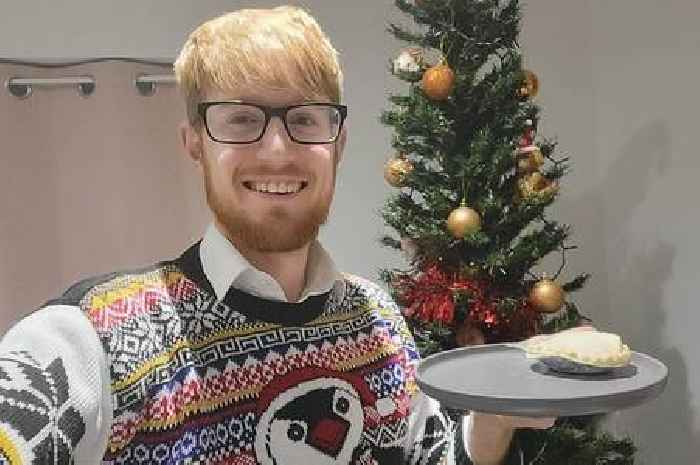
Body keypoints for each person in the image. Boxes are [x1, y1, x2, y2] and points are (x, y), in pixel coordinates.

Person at [0, 6, 553, 464]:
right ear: (194, 143)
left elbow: (433, 457)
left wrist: (495, 417)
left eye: (306, 119)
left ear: (337, 143)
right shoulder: (89, 340)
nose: (278, 151)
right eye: (240, 120)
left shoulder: (379, 322)